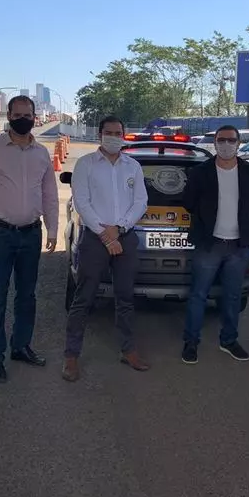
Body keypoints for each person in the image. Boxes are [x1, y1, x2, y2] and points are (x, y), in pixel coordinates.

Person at [0, 96, 59, 384]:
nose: (22, 119)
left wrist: (52, 230)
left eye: (27, 115)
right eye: (17, 115)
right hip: (1, 234)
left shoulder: (42, 153)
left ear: (35, 116)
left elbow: (50, 194)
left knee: (27, 295)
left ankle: (21, 346)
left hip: (32, 234)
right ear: (8, 116)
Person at [62, 116, 149, 381]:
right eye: (109, 133)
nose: (113, 137)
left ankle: (128, 350)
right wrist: (105, 234)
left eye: (118, 132)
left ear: (124, 134)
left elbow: (141, 202)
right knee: (83, 298)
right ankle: (71, 356)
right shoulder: (85, 164)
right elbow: (82, 202)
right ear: (100, 134)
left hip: (125, 237)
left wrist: (119, 229)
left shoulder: (132, 166)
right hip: (94, 239)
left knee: (125, 297)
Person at [181, 124, 249, 365]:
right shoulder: (201, 172)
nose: (226, 144)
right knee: (198, 295)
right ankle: (191, 342)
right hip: (209, 244)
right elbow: (188, 202)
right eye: (221, 140)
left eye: (231, 140)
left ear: (238, 143)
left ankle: (229, 341)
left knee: (232, 296)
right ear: (215, 143)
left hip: (238, 245)